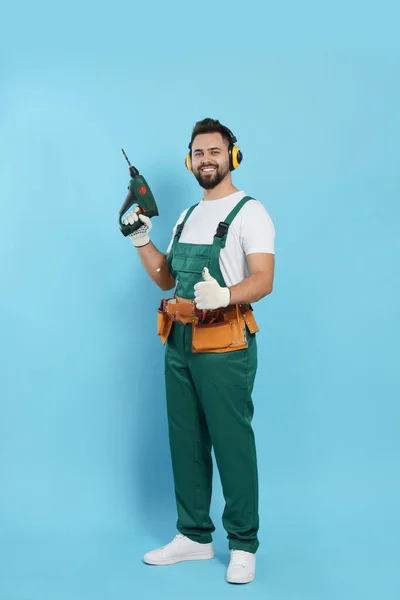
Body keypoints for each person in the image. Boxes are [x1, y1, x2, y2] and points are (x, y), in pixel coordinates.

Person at [123, 118, 275, 584]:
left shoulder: (251, 212)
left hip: (225, 341)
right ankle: (193, 536)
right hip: (179, 339)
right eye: (198, 152)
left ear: (232, 155)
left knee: (231, 442)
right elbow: (167, 278)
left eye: (215, 151)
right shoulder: (189, 214)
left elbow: (263, 280)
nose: (206, 159)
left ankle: (243, 545)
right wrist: (142, 241)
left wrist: (226, 295)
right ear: (190, 161)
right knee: (185, 441)